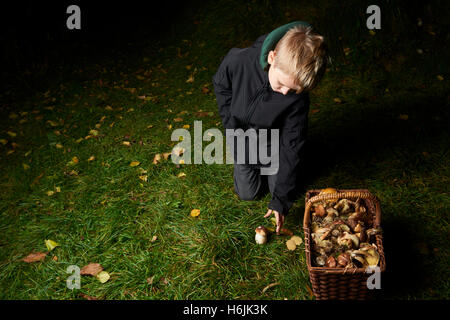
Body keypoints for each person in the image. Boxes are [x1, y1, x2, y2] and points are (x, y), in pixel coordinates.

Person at [212, 21, 329, 234]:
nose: (285, 93)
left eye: (293, 90)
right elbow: (221, 84)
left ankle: (275, 167)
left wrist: (281, 200)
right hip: (242, 134)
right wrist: (231, 127)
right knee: (248, 193)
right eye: (283, 84)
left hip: (274, 140)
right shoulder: (239, 61)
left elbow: (292, 144)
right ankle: (251, 162)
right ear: (272, 58)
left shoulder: (297, 99)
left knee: (283, 190)